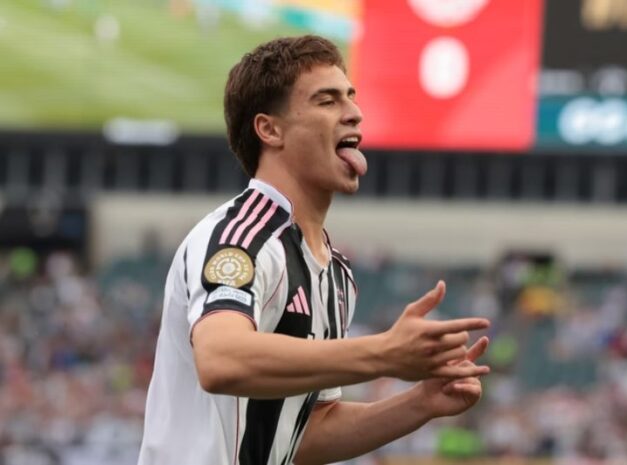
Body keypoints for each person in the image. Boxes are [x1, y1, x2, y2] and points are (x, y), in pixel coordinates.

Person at [138, 35, 491, 465]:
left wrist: (421, 403)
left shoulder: (335, 273)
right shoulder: (240, 235)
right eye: (327, 101)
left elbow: (303, 435)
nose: (354, 113)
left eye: (351, 97)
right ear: (270, 130)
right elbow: (220, 360)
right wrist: (385, 352)